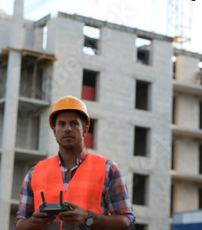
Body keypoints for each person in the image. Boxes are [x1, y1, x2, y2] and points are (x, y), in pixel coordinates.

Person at [15, 96, 135, 230]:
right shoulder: (34, 173)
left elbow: (127, 222)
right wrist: (33, 222)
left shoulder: (108, 170)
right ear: (54, 130)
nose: (67, 129)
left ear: (85, 129)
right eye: (61, 124)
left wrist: (89, 217)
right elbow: (20, 224)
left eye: (74, 123)